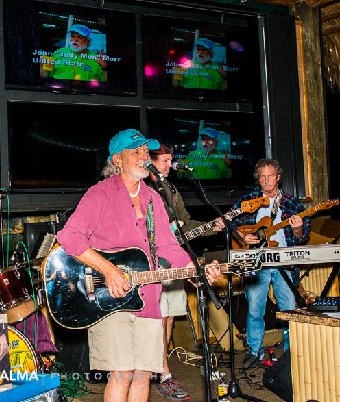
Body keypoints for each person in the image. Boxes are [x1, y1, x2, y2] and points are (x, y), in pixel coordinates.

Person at [56, 128, 222, 401]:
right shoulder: (100, 194)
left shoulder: (153, 198)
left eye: (146, 151)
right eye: (135, 152)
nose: (144, 156)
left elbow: (169, 247)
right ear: (117, 159)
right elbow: (69, 237)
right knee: (122, 373)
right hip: (109, 297)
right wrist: (109, 270)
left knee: (144, 374)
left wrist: (198, 270)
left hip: (149, 297)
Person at [145, 144, 224, 400]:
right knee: (158, 319)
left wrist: (212, 227)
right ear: (151, 161)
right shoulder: (142, 188)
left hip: (175, 261)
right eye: (165, 161)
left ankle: (161, 370)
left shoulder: (170, 189)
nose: (170, 165)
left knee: (168, 318)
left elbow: (185, 223)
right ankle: (163, 374)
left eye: (171, 160)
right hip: (153, 265)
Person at [229, 159, 311, 368]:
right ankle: (254, 351)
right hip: (257, 263)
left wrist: (297, 229)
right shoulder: (248, 200)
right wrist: (242, 237)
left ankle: (292, 354)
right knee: (255, 310)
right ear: (258, 179)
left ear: (278, 177)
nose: (266, 180)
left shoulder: (291, 202)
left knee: (288, 310)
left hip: (285, 263)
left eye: (270, 176)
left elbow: (303, 237)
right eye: (262, 176)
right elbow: (228, 221)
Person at [39, 24, 107, 82]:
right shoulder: (59, 52)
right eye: (73, 36)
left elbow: (105, 81)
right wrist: (42, 66)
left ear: (87, 41)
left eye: (79, 37)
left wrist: (105, 68)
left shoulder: (96, 58)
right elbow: (45, 76)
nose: (75, 40)